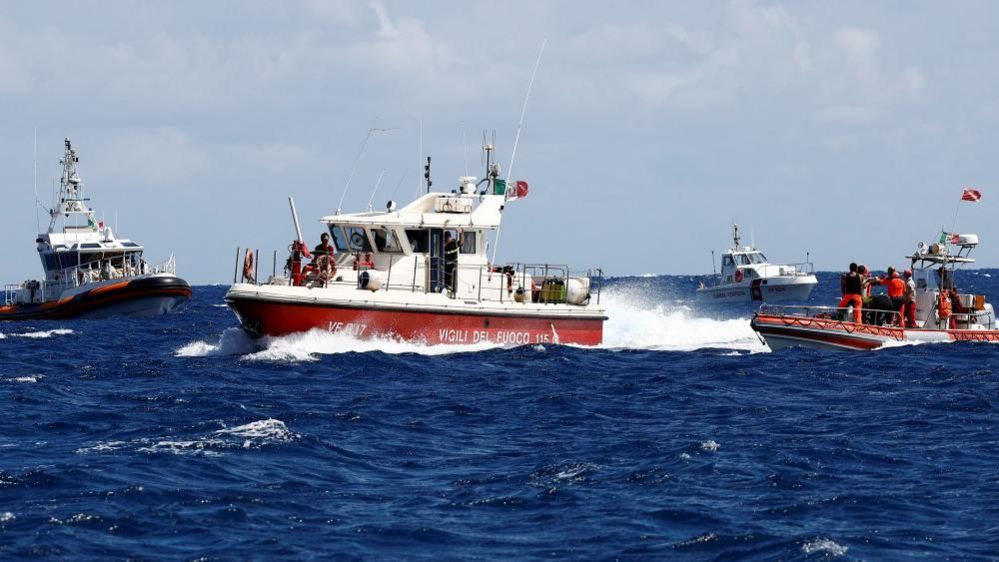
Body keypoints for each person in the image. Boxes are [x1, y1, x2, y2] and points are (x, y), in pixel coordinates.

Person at [443, 230, 462, 295]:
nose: (448, 238)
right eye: (446, 238)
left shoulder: (454, 243)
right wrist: (446, 243)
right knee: (445, 278)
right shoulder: (443, 245)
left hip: (452, 264)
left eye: (448, 237)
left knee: (452, 278)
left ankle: (452, 291)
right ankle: (446, 289)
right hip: (445, 265)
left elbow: (461, 243)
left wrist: (461, 233)